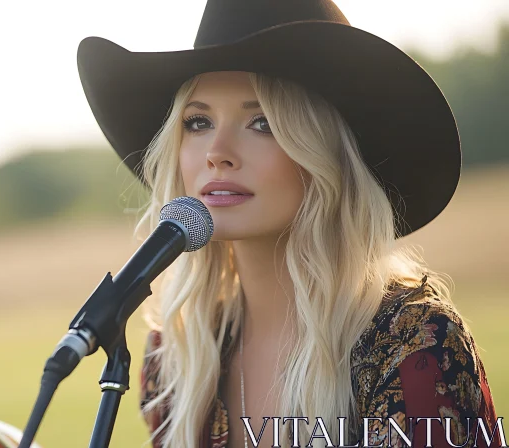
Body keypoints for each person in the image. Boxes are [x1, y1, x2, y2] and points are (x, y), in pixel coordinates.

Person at [76, 1, 499, 447]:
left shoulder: (412, 345)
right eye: (197, 122)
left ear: (324, 153)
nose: (216, 151)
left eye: (262, 123)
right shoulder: (177, 359)